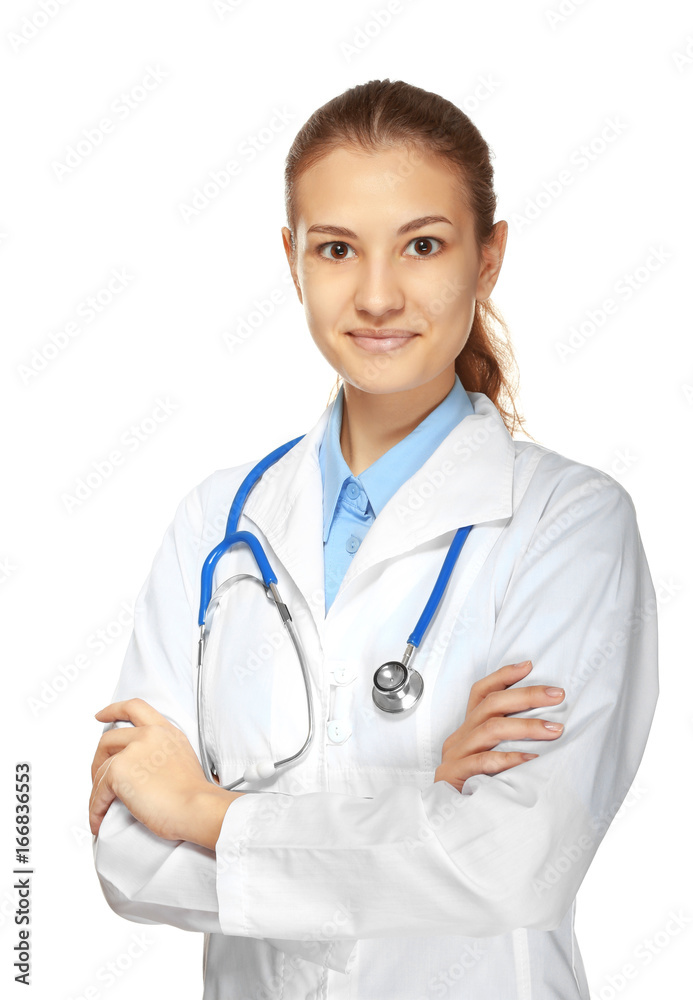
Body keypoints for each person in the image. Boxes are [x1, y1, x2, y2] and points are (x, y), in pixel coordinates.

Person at [89, 79, 659, 999]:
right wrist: (422, 805)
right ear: (292, 260)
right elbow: (128, 858)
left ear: (488, 258)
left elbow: (514, 861)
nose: (379, 295)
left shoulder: (569, 523)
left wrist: (203, 811)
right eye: (337, 249)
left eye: (423, 245)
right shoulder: (216, 523)